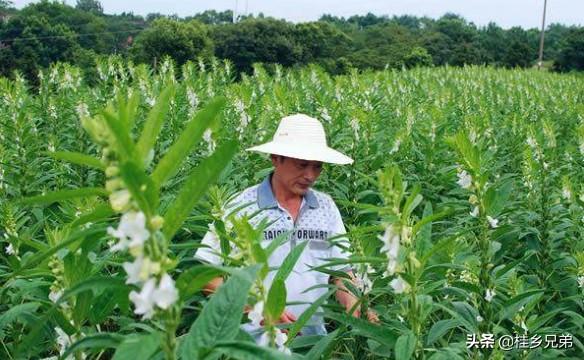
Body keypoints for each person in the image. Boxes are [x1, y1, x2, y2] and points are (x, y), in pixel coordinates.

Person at [195, 113, 378, 340]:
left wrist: (354, 303)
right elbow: (204, 275)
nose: (310, 175)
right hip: (252, 343)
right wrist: (259, 308)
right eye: (302, 165)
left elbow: (340, 271)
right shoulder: (240, 207)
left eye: (317, 167)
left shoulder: (325, 207)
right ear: (275, 158)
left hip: (313, 343)